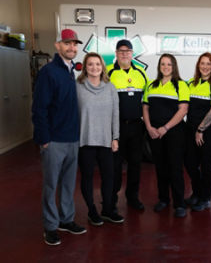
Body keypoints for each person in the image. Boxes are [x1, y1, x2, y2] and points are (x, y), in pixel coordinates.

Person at [32, 29, 87, 246]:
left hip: (72, 139)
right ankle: (51, 226)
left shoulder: (70, 70)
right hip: (54, 140)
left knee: (68, 184)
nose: (71, 47)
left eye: (74, 44)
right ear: (57, 45)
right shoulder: (49, 72)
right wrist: (44, 139)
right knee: (51, 185)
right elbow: (39, 109)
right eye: (67, 43)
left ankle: (66, 220)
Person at [142, 54, 190, 218]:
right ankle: (163, 199)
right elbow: (145, 108)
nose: (166, 67)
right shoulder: (151, 85)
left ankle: (179, 203)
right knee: (160, 167)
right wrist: (149, 127)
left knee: (175, 168)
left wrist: (165, 128)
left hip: (174, 132)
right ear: (159, 66)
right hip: (154, 133)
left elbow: (183, 110)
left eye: (169, 64)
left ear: (174, 66)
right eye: (163, 64)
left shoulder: (181, 85)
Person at [106, 39, 149, 221]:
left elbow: (147, 101)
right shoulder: (107, 72)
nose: (124, 54)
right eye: (121, 51)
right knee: (114, 166)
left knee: (135, 164)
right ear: (116, 53)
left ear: (132, 54)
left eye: (128, 51)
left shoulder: (141, 74)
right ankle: (111, 201)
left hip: (136, 127)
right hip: (115, 128)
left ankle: (132, 197)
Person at [76, 52, 119, 226]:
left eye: (98, 64)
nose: (95, 67)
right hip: (85, 140)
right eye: (91, 64)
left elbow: (116, 113)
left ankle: (107, 210)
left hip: (105, 140)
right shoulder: (77, 87)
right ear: (85, 67)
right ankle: (92, 210)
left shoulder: (110, 87)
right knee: (86, 177)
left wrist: (115, 137)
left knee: (109, 176)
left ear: (103, 67)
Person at [184, 52, 211, 211]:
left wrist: (200, 130)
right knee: (190, 163)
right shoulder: (192, 83)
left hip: (210, 132)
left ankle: (205, 198)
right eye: (202, 63)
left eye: (209, 64)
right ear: (198, 65)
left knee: (207, 165)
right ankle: (197, 193)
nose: (205, 67)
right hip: (191, 131)